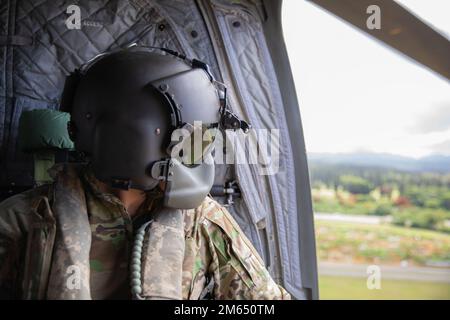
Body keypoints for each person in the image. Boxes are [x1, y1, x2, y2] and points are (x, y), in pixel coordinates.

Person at [0, 46, 290, 300]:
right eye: (189, 141)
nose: (197, 154)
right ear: (140, 139)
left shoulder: (201, 221)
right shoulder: (24, 219)